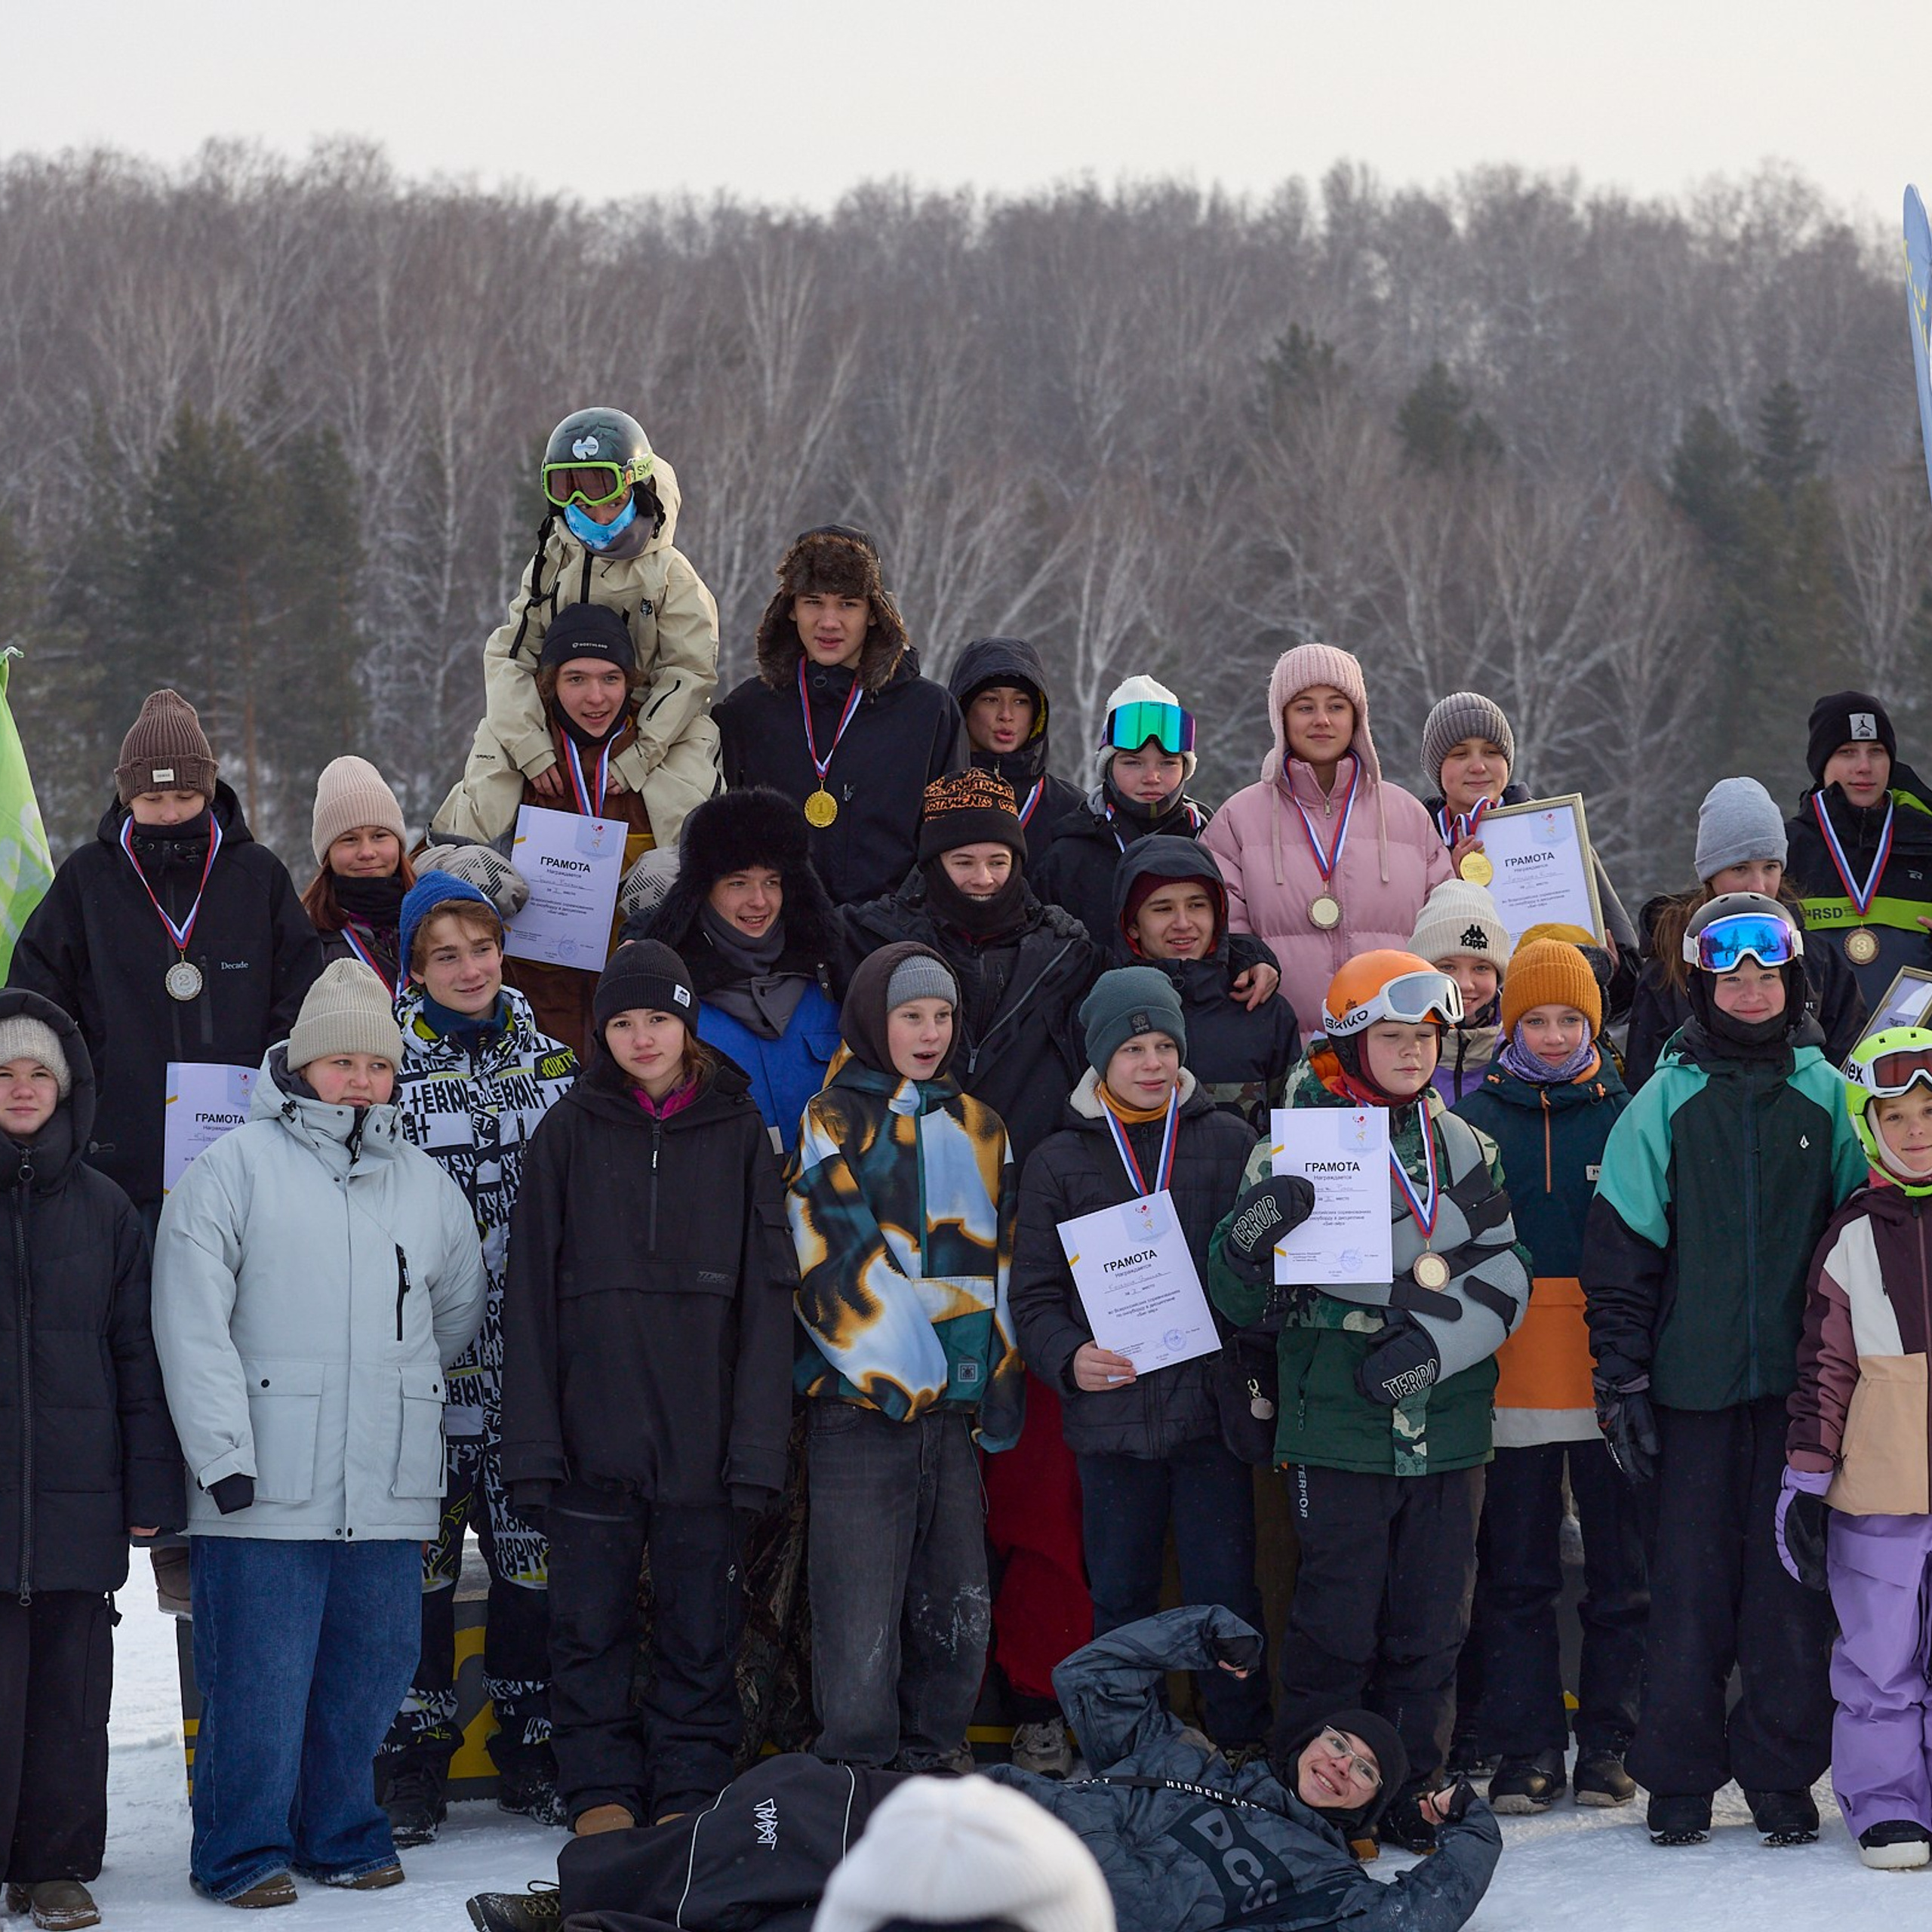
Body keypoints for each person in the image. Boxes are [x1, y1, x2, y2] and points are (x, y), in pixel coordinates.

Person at [466, 1606, 1502, 1932]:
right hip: (976, 1813)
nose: (1341, 1764)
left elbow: (1424, 1914)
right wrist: (1195, 1634)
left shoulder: (1328, 1885)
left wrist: (1469, 1826)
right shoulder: (1185, 1755)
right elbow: (1088, 1674)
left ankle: (596, 1918)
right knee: (795, 1795)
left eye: (1364, 1770)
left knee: (805, 1901)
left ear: (1370, 1804)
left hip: (1043, 1908)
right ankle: (582, 1905)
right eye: (1339, 1744)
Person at [151, 961, 486, 1906]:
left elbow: (451, 1311)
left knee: (370, 1671)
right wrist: (223, 1457)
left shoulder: (423, 1184)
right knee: (258, 1682)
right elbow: (189, 1323)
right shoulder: (230, 1169)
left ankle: (341, 1830)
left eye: (376, 1066)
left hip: (384, 1476)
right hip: (263, 1481)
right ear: (301, 1065)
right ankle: (241, 1849)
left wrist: (396, 1396)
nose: (360, 1083)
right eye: (341, 1063)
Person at [1207, 951, 1530, 1852]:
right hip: (1336, 1423)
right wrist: (1244, 1252)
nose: (1413, 1052)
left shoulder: (1463, 1143)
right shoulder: (1288, 1147)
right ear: (1348, 1041)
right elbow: (1241, 1308)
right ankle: (1314, 1799)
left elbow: (1505, 1268)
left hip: (1448, 1421)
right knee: (1334, 1623)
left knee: (1432, 1621)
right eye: (1391, 1036)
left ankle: (1408, 1788)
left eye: (1425, 1036)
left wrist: (1431, 1345)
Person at [1584, 893, 1865, 1848]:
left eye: (1766, 971)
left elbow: (1861, 1243)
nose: (1749, 987)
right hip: (1689, 1391)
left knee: (1788, 1592)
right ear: (1703, 985)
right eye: (1730, 973)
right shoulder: (1661, 1101)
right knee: (1689, 1588)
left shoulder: (1829, 1095)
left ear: (1791, 981)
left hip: (1800, 1400)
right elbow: (1622, 1254)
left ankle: (1782, 1773)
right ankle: (1678, 1776)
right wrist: (1619, 1379)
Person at [500, 940, 795, 1835]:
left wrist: (755, 1447)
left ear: (687, 1023)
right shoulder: (568, 1131)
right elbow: (529, 1301)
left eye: (657, 1018)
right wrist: (535, 1447)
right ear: (601, 1032)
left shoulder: (738, 1131)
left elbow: (768, 1300)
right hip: (594, 1432)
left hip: (703, 1438)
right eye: (622, 1022)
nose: (641, 1036)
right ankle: (598, 1789)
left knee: (699, 1629)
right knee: (584, 1627)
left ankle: (686, 1790)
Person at [837, 771, 1100, 1774]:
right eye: (964, 859)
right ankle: (896, 1726)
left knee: (1038, 1508)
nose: (984, 877)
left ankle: (1038, 1694)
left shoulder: (1065, 950)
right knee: (913, 1535)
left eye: (999, 859)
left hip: (1030, 1253)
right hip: (908, 1305)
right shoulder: (877, 954)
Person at [1011, 966, 1270, 1755]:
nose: (1153, 1062)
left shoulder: (1230, 1142)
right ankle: (1130, 1753)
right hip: (1109, 1421)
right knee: (1120, 1596)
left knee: (1224, 1593)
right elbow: (1033, 1297)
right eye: (1133, 1048)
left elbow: (1259, 1272)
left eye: (1164, 1044)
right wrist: (1068, 1357)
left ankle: (1240, 1744)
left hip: (1209, 1418)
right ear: (1099, 1059)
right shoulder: (1058, 1161)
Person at [374, 871, 579, 1844]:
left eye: (480, 948)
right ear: (412, 969)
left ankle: (531, 1740)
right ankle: (412, 1750)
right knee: (415, 1566)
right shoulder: (385, 1078)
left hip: (530, 1371)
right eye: (443, 954)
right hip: (417, 1372)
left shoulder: (557, 1069)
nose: (467, 968)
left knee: (530, 1562)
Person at [789, 942, 1024, 1773]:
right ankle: (856, 1778)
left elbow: (1000, 1265)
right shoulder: (835, 1118)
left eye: (942, 1016)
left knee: (955, 1606)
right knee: (858, 1612)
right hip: (863, 1406)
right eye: (910, 1015)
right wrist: (905, 1374)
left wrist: (995, 1383)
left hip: (954, 1415)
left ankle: (936, 1758)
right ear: (871, 1020)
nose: (929, 1033)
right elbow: (831, 1256)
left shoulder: (982, 1126)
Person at [0, 992, 182, 1932]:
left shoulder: (108, 1209)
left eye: (40, 1072)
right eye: (4, 1073)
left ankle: (57, 1862)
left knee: (72, 1695)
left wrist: (153, 1482)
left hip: (79, 1496)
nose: (23, 1087)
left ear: (67, 1089)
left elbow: (136, 1355)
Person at [8, 688, 322, 1232]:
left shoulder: (257, 875)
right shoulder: (87, 879)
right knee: (132, 1313)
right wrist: (89, 1095)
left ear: (208, 790)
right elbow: (39, 1001)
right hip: (115, 1163)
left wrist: (273, 1087)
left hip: (246, 1153)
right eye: (153, 801)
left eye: (183, 795)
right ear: (128, 797)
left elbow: (301, 994)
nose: (170, 814)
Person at [1451, 940, 1645, 1812]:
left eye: (1572, 1019)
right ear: (1510, 1022)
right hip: (1509, 1375)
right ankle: (1527, 1745)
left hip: (1604, 1372)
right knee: (1516, 1573)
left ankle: (1610, 1739)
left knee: (1620, 1572)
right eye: (1537, 1018)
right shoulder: (1472, 1120)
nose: (1557, 1034)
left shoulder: (1628, 1114)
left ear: (1596, 1024)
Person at [438, 405, 720, 855]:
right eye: (575, 497)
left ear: (637, 486)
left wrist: (642, 752)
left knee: (684, 783)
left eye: (606, 496)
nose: (594, 513)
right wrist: (529, 744)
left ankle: (678, 879)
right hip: (561, 711)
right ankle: (462, 861)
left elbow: (690, 672)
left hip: (646, 720)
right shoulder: (553, 561)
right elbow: (511, 654)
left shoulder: (671, 575)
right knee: (493, 753)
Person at [1784, 1026, 1932, 1869]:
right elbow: (1823, 1368)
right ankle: (1886, 1805)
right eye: (1895, 1116)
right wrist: (1805, 1477)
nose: (1914, 1130)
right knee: (1879, 1656)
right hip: (1876, 1486)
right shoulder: (1850, 1236)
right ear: (1868, 1128)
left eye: (1927, 1112)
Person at [433, 601, 662, 1057]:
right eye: (576, 679)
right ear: (550, 685)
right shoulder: (512, 757)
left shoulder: (661, 762)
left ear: (630, 683)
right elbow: (429, 859)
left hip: (638, 1017)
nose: (595, 698)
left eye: (610, 679)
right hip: (531, 1009)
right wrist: (461, 865)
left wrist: (676, 874)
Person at [1202, 644, 1451, 1044]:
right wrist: (1248, 962)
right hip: (1280, 1046)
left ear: (1357, 716)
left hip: (1392, 1048)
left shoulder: (1406, 815)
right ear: (1281, 716)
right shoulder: (1238, 818)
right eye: (1304, 707)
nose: (1321, 720)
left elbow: (1443, 926)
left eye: (1336, 706)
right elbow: (1220, 920)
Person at [714, 526, 961, 906]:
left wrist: (895, 924)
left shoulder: (930, 713)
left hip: (890, 941)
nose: (829, 622)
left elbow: (951, 846)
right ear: (791, 609)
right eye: (813, 601)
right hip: (774, 944)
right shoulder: (748, 711)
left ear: (875, 614)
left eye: (848, 604)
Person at [626, 786, 843, 1157]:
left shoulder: (829, 976)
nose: (759, 901)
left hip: (829, 1202)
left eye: (771, 882)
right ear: (702, 891)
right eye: (738, 883)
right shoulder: (671, 997)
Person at [1627, 777, 1865, 1091]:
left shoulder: (1816, 958)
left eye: (1770, 867)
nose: (1758, 885)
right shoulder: (1671, 957)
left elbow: (1850, 1068)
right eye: (1740, 868)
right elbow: (1644, 1084)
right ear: (1711, 874)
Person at [1417, 691, 1638, 1011]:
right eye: (1460, 754)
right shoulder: (1415, 840)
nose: (1478, 766)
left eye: (1491, 752)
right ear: (1436, 767)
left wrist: (1610, 972)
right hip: (1450, 1036)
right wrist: (1450, 880)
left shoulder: (1560, 831)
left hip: (1552, 1028)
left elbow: (1628, 988)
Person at [1109, 836, 1300, 1124]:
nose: (1183, 923)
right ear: (1132, 925)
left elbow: (1296, 1129)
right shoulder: (1105, 1012)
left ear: (1218, 915)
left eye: (1197, 905)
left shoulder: (1264, 1011)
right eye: (1162, 909)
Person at [1033, 676, 1215, 945]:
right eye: (1133, 763)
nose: (1151, 776)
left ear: (1185, 768)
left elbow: (1238, 932)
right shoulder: (1069, 854)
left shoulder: (1211, 841)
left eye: (1167, 763)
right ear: (1108, 767)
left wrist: (1252, 953)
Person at [1784, 690, 1932, 1003]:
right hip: (1818, 1048)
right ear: (1821, 763)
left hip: (1917, 1047)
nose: (1864, 767)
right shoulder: (1784, 853)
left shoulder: (1926, 842)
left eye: (1876, 751)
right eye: (1847, 752)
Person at [946, 635, 1085, 871]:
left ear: (1038, 714)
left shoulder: (1072, 811)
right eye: (990, 699)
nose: (1006, 715)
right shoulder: (930, 797)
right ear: (963, 707)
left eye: (1021, 702)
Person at [301, 755, 416, 993]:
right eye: (349, 839)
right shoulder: (307, 941)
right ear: (327, 854)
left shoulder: (433, 920)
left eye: (379, 836)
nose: (367, 852)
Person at [1407, 878, 1512, 1106]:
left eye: (1481, 968)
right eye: (1447, 967)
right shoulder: (1393, 1048)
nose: (1465, 984)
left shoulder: (1522, 1050)